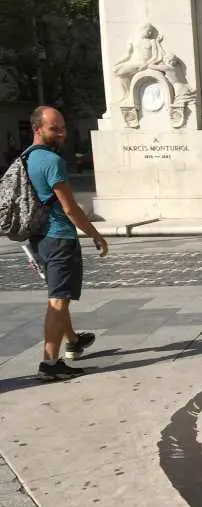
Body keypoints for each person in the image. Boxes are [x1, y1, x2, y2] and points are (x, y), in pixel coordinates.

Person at [26, 107, 108, 381]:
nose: (61, 132)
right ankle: (49, 364)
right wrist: (95, 233)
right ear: (37, 129)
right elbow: (70, 208)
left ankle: (72, 341)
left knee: (58, 293)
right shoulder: (52, 161)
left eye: (62, 126)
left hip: (39, 237)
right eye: (54, 128)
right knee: (59, 301)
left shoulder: (26, 157)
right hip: (59, 237)